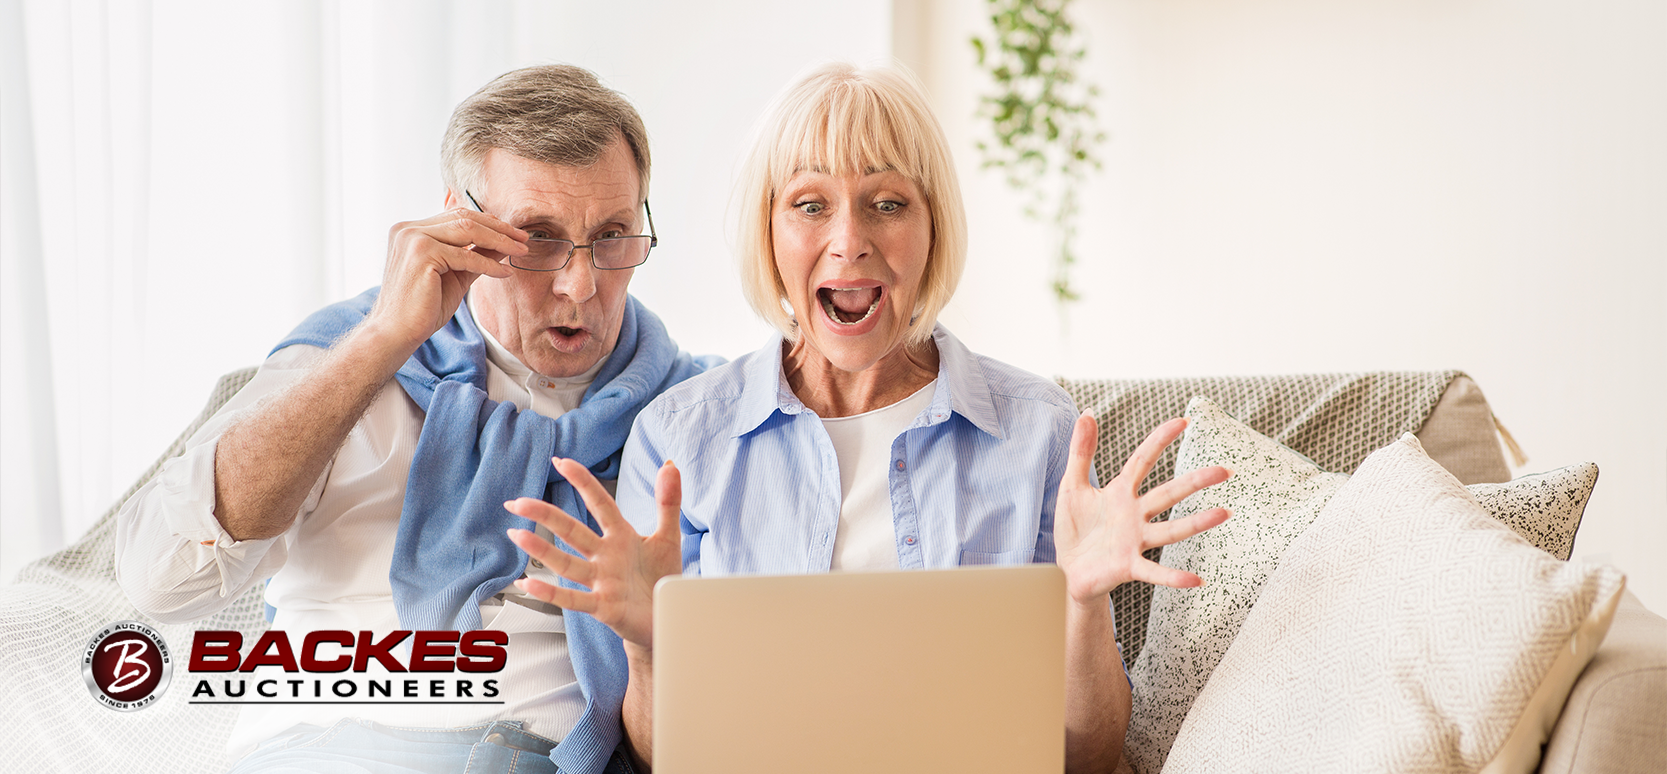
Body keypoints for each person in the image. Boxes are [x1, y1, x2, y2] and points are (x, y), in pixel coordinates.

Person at [502, 62, 1232, 773]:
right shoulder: (680, 439)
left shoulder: (1038, 431)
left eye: (886, 203)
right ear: (770, 232)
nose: (849, 240)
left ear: (932, 229)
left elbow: (1088, 761)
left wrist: (1081, 603)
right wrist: (648, 645)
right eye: (810, 204)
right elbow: (667, 759)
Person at [116, 65, 717, 774]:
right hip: (328, 745)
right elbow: (162, 580)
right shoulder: (346, 353)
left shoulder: (694, 410)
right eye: (538, 238)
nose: (580, 284)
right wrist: (379, 343)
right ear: (463, 227)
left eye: (613, 235)